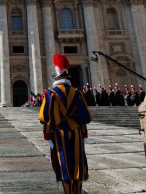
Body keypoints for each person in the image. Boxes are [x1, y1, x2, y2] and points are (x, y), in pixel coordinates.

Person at [39, 54, 92, 194]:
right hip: (76, 131)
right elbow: (84, 117)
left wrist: (47, 136)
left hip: (59, 133)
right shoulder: (77, 93)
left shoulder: (51, 94)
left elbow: (47, 117)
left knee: (64, 164)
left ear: (56, 78)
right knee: (78, 163)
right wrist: (84, 134)